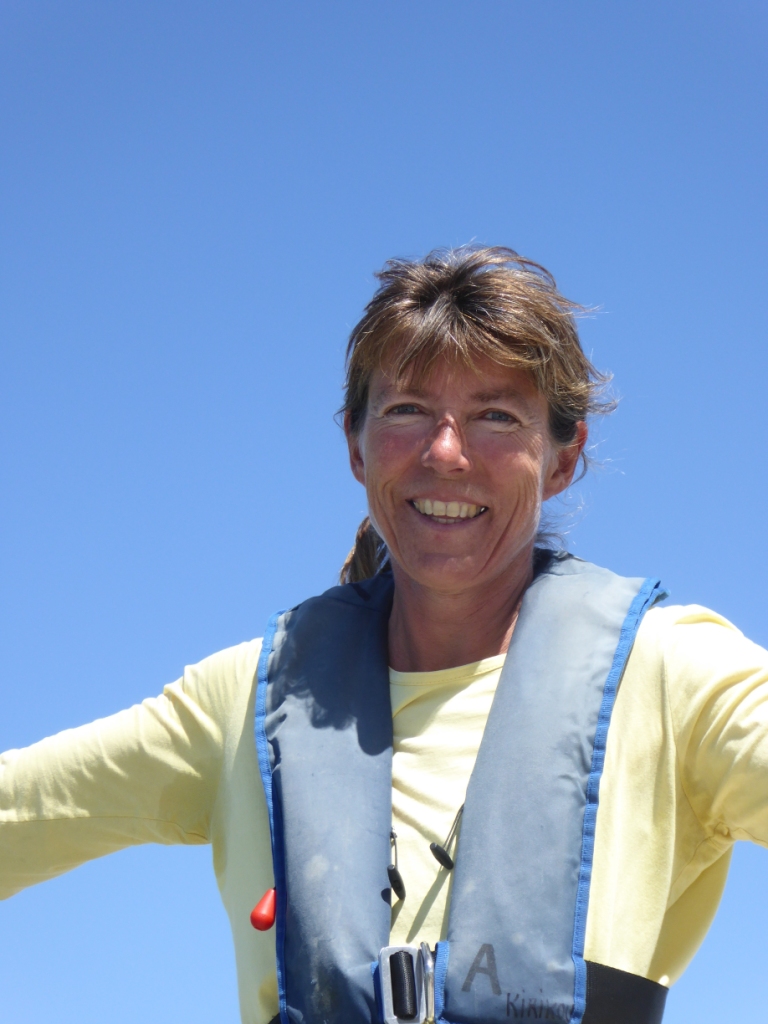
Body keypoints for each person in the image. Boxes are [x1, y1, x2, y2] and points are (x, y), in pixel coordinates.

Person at [2, 246, 768, 1024]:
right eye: (406, 410)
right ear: (355, 444)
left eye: (496, 416)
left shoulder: (674, 678)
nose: (445, 452)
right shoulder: (245, 703)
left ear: (562, 459)